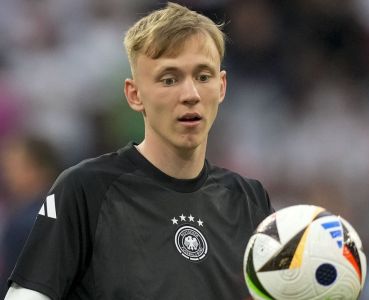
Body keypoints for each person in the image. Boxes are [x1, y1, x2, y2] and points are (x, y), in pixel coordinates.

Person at [4, 2, 273, 299]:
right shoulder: (86, 190)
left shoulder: (249, 200)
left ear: (221, 87)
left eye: (203, 76)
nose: (190, 95)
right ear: (134, 95)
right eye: (169, 79)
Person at [0, 136, 61, 299]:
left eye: (14, 167)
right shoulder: (67, 206)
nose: (7, 176)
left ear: (39, 169)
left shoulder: (25, 224)